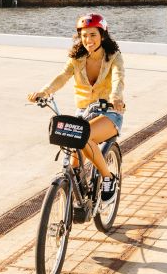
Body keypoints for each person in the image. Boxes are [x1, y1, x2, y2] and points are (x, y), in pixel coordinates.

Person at [28, 13, 125, 202]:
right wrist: (44, 92)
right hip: (83, 114)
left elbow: (118, 78)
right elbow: (62, 76)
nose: (88, 40)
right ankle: (76, 202)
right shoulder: (76, 58)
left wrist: (116, 97)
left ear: (103, 35)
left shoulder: (114, 57)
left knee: (85, 136)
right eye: (84, 35)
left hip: (109, 112)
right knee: (73, 167)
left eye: (93, 35)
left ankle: (108, 177)